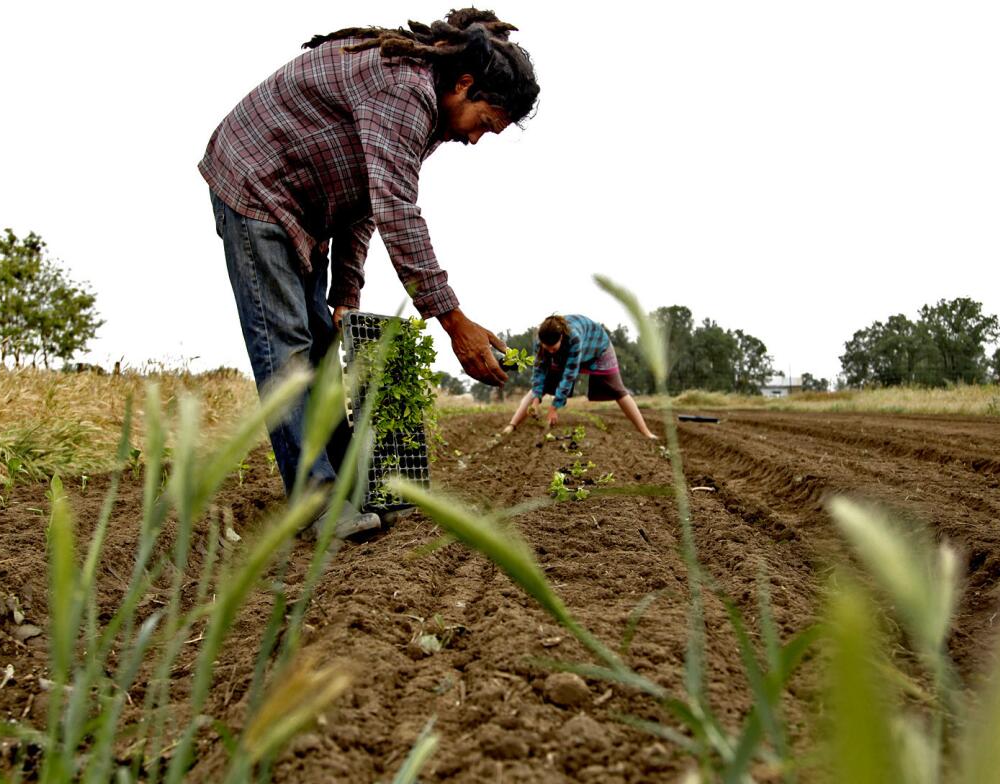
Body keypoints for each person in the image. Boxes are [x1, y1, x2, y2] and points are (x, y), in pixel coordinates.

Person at [200, 10, 539, 539]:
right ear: (465, 85)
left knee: (319, 349)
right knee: (286, 349)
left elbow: (364, 200)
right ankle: (314, 503)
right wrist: (454, 323)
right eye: (486, 124)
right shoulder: (406, 91)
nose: (477, 140)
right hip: (256, 185)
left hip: (309, 210)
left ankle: (355, 487)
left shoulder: (427, 120)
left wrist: (347, 289)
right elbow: (397, 209)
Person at [503, 315, 658, 440]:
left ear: (561, 338)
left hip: (597, 348)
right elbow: (539, 372)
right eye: (546, 348)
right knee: (540, 387)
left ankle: (646, 432)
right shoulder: (541, 341)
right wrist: (536, 400)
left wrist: (554, 408)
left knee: (618, 390)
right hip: (567, 351)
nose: (550, 352)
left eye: (553, 348)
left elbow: (569, 375)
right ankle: (512, 425)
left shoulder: (573, 339)